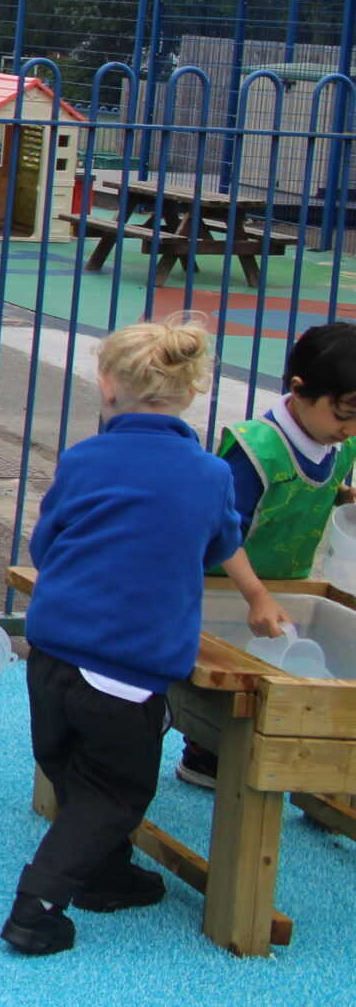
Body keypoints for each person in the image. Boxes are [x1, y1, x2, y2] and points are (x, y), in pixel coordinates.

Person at [5, 315, 290, 957]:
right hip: (124, 672)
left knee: (67, 764)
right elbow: (224, 543)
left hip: (50, 651)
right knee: (116, 791)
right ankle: (36, 906)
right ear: (191, 393)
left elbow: (45, 547)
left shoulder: (83, 460)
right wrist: (257, 596)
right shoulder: (210, 475)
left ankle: (104, 874)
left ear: (107, 388)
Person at [173, 321, 356, 788]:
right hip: (225, 583)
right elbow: (222, 527)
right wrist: (253, 594)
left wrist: (345, 496)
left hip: (284, 581)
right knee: (230, 673)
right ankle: (203, 752)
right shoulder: (258, 449)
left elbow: (317, 486)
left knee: (278, 666)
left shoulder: (341, 443)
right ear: (298, 390)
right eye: (343, 415)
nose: (350, 429)